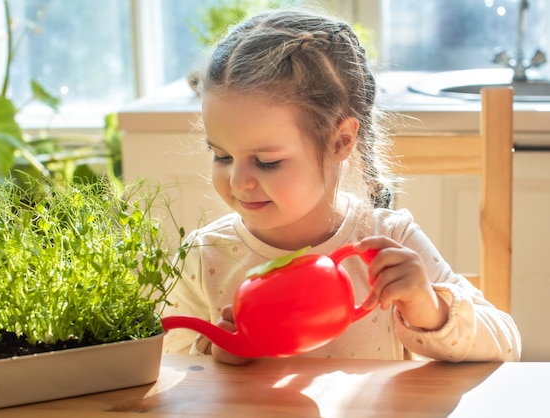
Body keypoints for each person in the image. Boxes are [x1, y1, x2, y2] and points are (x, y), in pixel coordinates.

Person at [161, 8, 521, 364]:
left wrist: (430, 308)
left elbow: (508, 344)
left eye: (267, 162)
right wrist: (214, 352)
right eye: (221, 156)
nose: (238, 181)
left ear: (340, 141)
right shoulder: (204, 255)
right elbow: (169, 374)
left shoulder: (391, 241)